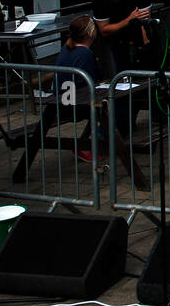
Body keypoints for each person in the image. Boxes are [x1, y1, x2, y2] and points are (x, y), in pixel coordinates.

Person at [11, 16, 106, 182]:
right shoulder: (85, 54)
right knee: (104, 106)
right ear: (91, 33)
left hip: (61, 100)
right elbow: (92, 79)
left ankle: (89, 142)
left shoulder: (66, 49)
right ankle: (91, 142)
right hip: (75, 103)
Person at [92, 0, 153, 75]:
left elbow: (145, 21)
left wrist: (147, 44)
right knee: (117, 70)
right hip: (114, 39)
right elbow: (104, 30)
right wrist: (129, 20)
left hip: (136, 35)